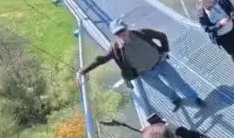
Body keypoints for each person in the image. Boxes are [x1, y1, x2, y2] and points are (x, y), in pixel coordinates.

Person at [76, 20, 205, 112]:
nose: (121, 34)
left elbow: (161, 36)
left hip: (161, 64)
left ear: (126, 28)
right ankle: (175, 99)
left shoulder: (142, 33)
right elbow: (101, 60)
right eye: (118, 33)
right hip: (146, 74)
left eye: (122, 30)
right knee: (162, 89)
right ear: (115, 35)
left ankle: (194, 98)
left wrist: (164, 51)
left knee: (178, 83)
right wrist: (82, 71)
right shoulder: (115, 49)